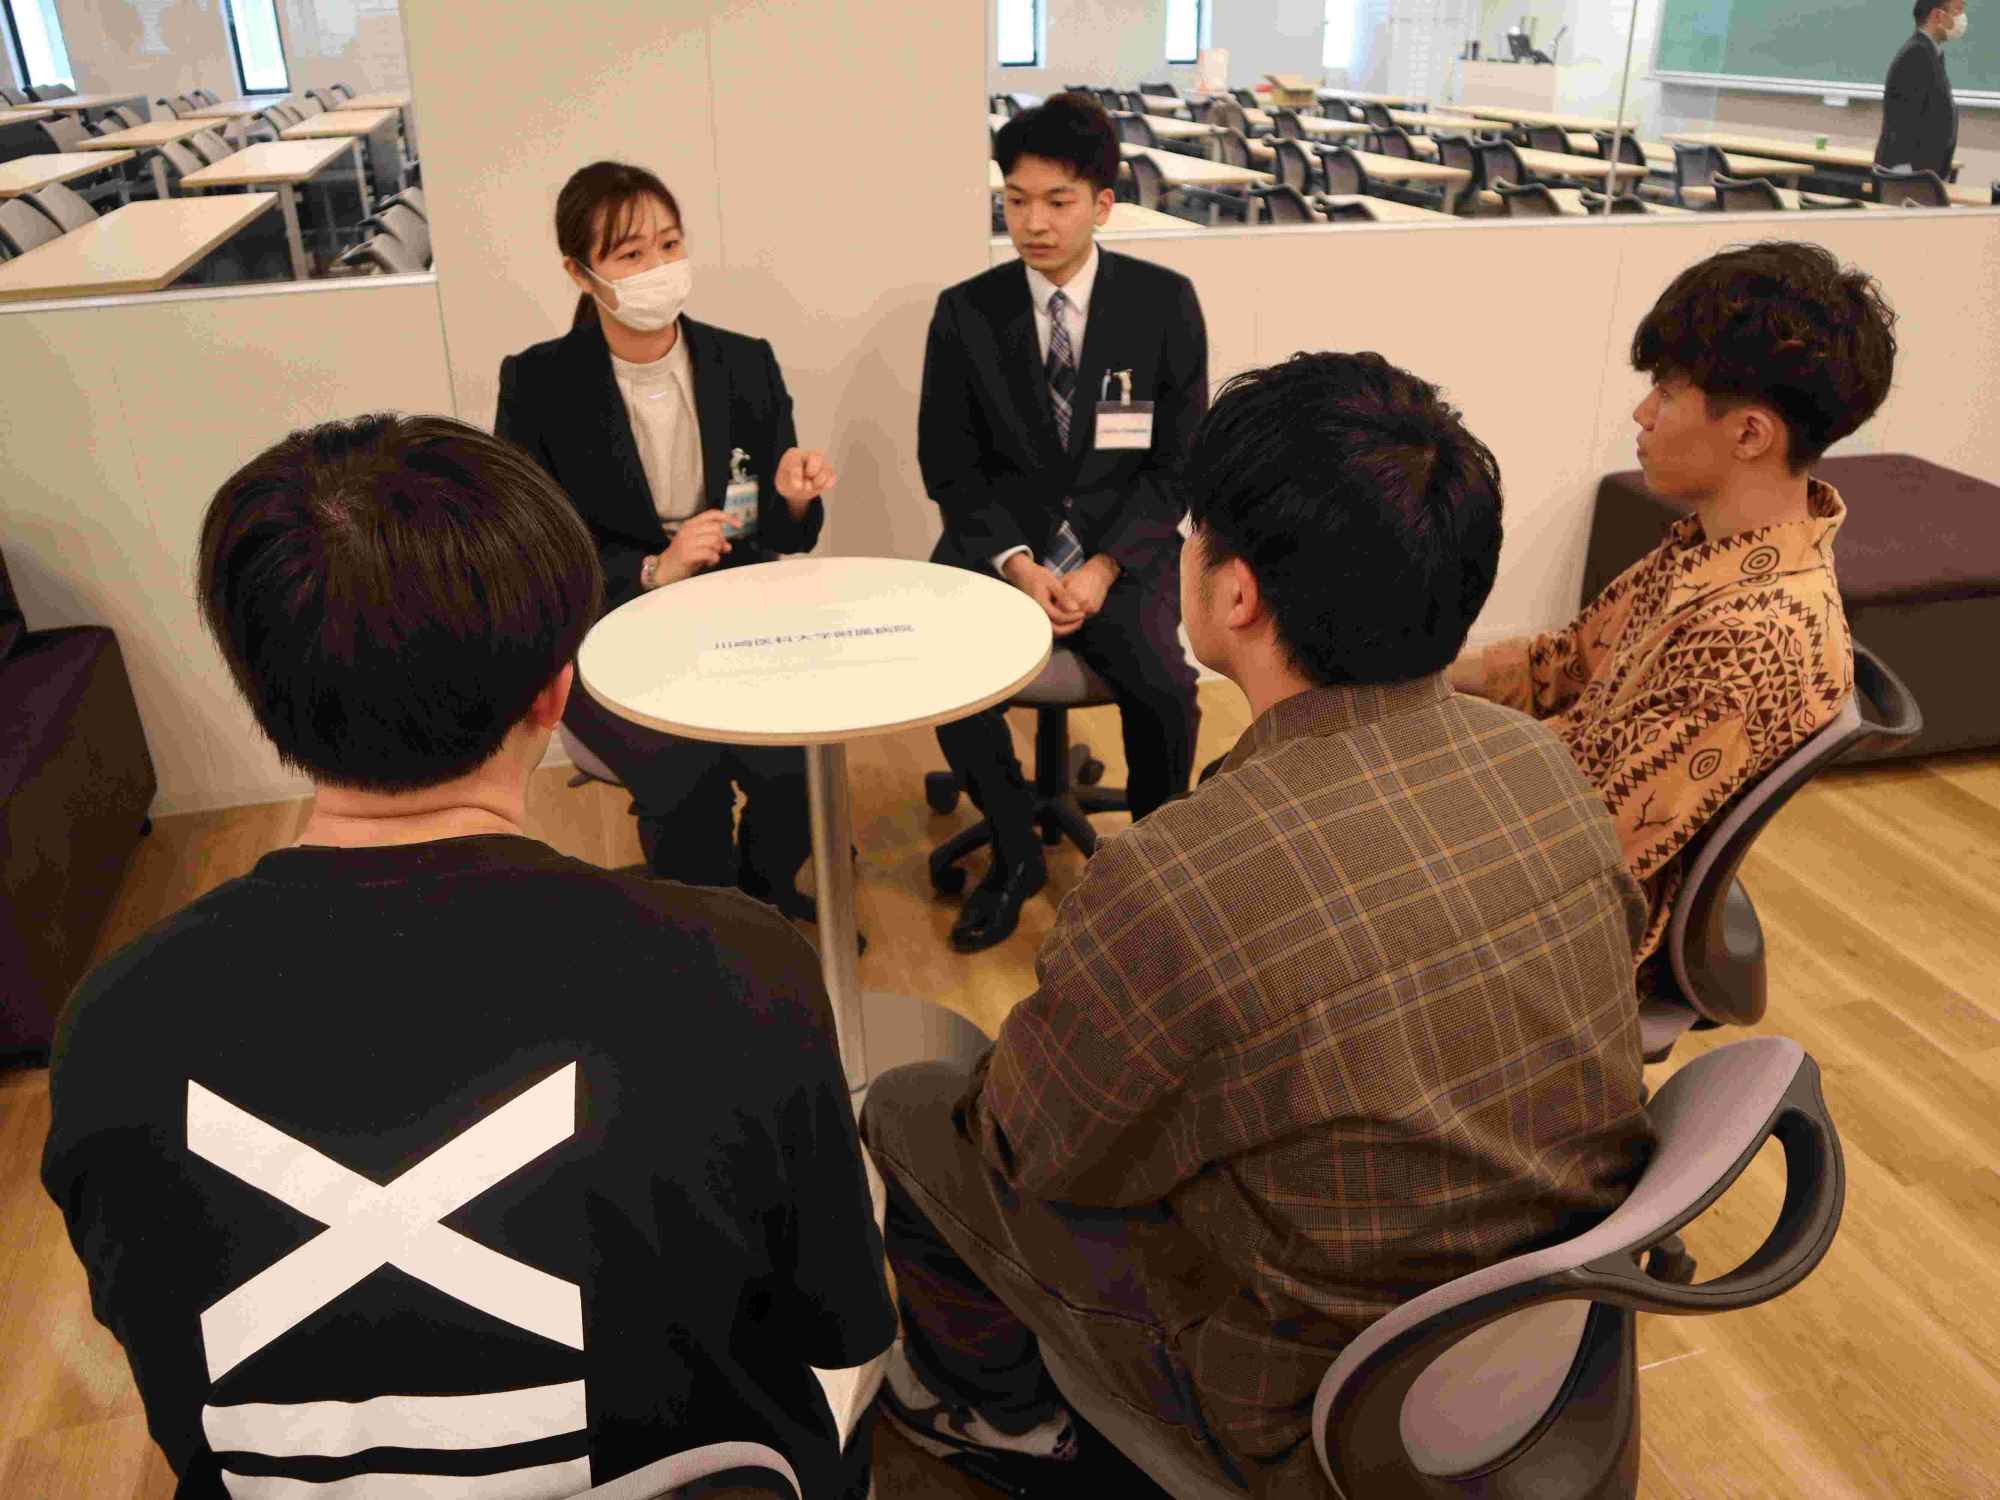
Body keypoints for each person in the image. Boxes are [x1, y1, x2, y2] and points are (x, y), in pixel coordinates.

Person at [41, 416, 892, 1500]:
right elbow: (838, 1324)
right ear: (553, 693)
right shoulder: (737, 974)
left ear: (262, 698)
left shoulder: (113, 1033)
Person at [862, 353, 1654, 1495]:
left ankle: (1000, 1421)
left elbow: (1028, 1149)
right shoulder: (1543, 766)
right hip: (1548, 1342)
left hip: (1308, 1409)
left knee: (909, 1106)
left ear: (1234, 594)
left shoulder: (1176, 879)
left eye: (1192, 532)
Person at [1451, 242, 1898, 994]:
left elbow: (1579, 853)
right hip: (1535, 814)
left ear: (1750, 434)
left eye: (1665, 391)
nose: (1643, 412)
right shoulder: (1715, 551)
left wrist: (1420, 762)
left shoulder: (1750, 639)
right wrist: (1414, 676)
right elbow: (1560, 666)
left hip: (1560, 938)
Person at [496, 160, 837, 922]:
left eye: (670, 245)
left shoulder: (743, 361)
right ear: (580, 273)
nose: (659, 267)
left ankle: (763, 900)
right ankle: (707, 928)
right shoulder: (539, 384)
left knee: (797, 758)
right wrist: (652, 568)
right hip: (606, 627)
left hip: (737, 609)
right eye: (631, 254)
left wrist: (792, 497)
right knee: (685, 778)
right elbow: (529, 551)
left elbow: (787, 531)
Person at [920, 92, 1207, 952]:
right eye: (1015, 200)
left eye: (1057, 201)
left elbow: (1176, 465)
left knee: (1167, 689)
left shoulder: (1163, 303)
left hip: (1122, 551)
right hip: (1000, 549)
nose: (1033, 223)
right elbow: (950, 468)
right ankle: (1015, 851)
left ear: (1103, 204)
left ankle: (1155, 871)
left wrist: (1103, 567)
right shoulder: (966, 313)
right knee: (947, 673)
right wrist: (1017, 564)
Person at [1875, 0, 1967, 181]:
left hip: (1923, 172)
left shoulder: (1930, 52)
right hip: (1908, 173)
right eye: (1958, 10)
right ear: (1937, 15)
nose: (1962, 18)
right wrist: (1906, 175)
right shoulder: (1916, 53)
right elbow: (1902, 121)